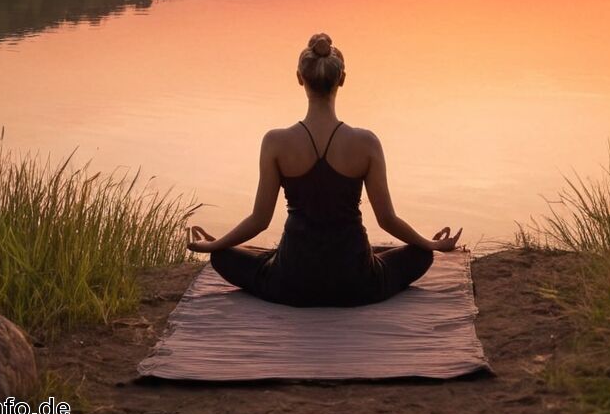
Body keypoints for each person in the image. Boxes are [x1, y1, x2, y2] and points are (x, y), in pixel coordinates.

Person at [186, 31, 463, 307]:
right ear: (342, 80)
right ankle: (380, 256)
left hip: (292, 282)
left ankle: (251, 256)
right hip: (357, 282)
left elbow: (259, 220)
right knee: (420, 255)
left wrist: (216, 245)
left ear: (299, 78)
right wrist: (431, 245)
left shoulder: (275, 142)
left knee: (223, 257)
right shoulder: (366, 143)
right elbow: (387, 220)